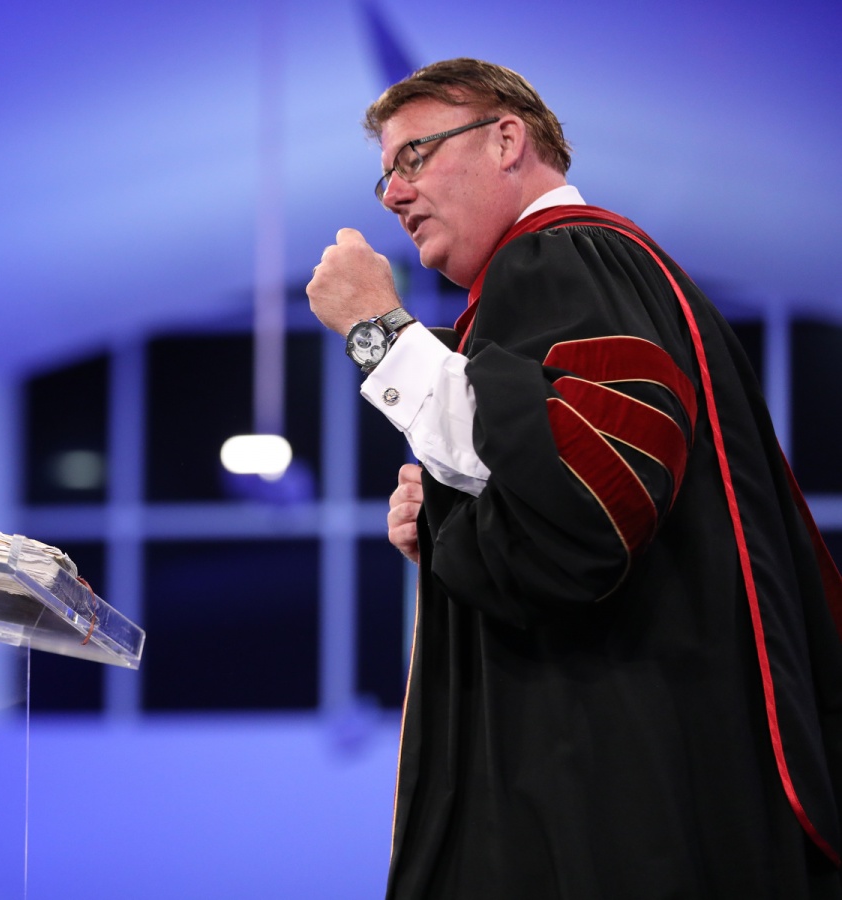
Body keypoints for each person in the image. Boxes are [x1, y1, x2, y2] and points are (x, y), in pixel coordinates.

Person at [306, 57, 842, 899]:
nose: (394, 195)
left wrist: (378, 332)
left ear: (506, 139)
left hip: (622, 775)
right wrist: (451, 516)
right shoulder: (575, 277)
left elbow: (588, 503)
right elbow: (548, 489)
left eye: (414, 156)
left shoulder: (566, 257)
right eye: (385, 176)